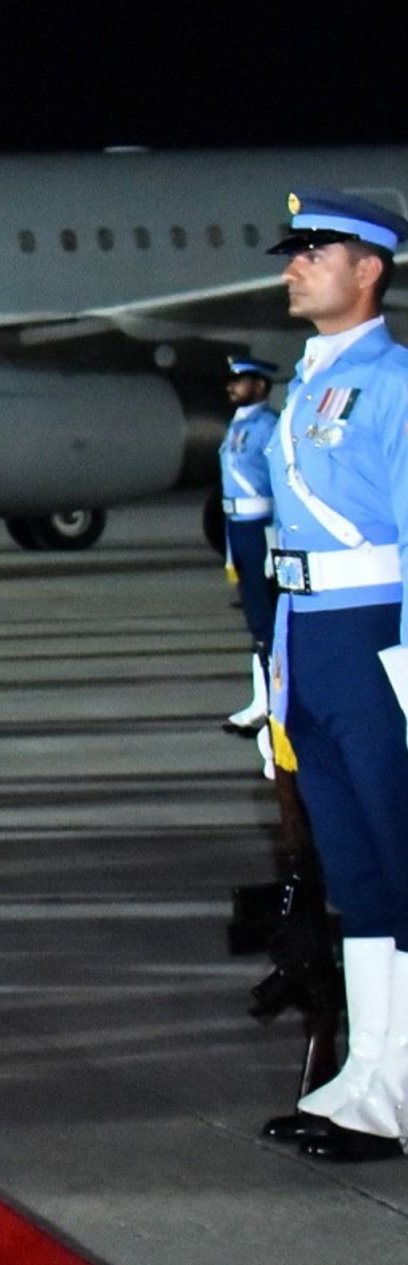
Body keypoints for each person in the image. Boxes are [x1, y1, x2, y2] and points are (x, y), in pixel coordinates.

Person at [251, 191, 408, 1164]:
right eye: (293, 252)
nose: (294, 266)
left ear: (370, 268)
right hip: (311, 643)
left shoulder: (394, 384)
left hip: (375, 642)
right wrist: (276, 673)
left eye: (316, 251)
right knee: (357, 876)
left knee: (401, 859)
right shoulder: (305, 385)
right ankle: (373, 1079)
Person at [219, 354, 282, 736]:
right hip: (239, 528)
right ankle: (263, 699)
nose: (232, 386)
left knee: (267, 620)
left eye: (240, 380)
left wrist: (277, 537)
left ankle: (273, 702)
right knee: (256, 619)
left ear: (260, 385)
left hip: (261, 528)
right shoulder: (239, 425)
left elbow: (282, 483)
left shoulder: (268, 427)